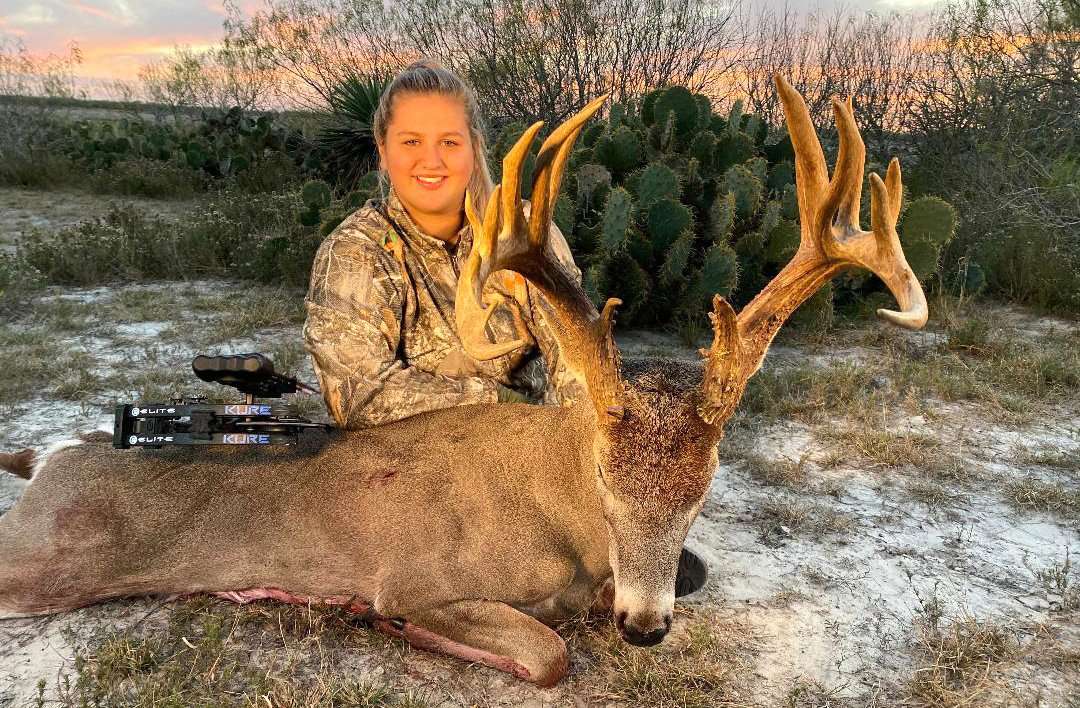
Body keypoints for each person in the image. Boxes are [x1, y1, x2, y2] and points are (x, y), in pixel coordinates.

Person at [302, 59, 705, 596]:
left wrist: (588, 443)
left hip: (522, 462)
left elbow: (575, 357)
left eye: (449, 142)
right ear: (383, 150)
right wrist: (498, 404)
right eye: (411, 141)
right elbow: (360, 399)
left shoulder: (524, 235)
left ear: (474, 147)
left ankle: (614, 544)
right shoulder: (356, 251)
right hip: (408, 468)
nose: (431, 160)